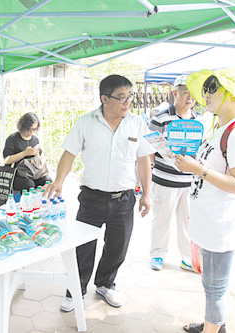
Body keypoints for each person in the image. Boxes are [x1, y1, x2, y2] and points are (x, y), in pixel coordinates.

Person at [43, 74, 155, 312]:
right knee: (83, 247)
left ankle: (105, 284)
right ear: (105, 98)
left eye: (130, 97)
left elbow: (144, 159)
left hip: (124, 199)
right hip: (92, 198)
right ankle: (75, 290)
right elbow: (69, 153)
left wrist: (146, 193)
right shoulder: (86, 123)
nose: (127, 102)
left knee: (118, 247)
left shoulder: (137, 123)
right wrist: (59, 181)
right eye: (121, 97)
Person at [175, 68, 235, 333]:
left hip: (222, 224)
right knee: (211, 284)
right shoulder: (220, 127)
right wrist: (192, 166)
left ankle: (213, 328)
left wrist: (197, 169)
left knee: (215, 287)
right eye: (206, 88)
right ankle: (214, 323)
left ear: (231, 92)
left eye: (212, 88)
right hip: (209, 220)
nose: (205, 94)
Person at [149, 75, 197, 271]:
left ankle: (187, 257)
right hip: (164, 181)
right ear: (175, 93)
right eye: (185, 92)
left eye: (192, 93)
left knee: (188, 222)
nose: (189, 97)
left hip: (189, 183)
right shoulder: (159, 119)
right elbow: (149, 150)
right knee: (162, 219)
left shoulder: (199, 121)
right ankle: (158, 254)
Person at [3, 112, 52, 191]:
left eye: (34, 129)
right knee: (29, 184)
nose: (31, 132)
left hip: (33, 173)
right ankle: (26, 202)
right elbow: (6, 160)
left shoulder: (35, 140)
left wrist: (38, 156)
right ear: (22, 127)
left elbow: (38, 159)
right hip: (17, 174)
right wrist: (24, 153)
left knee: (47, 181)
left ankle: (43, 202)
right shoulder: (12, 139)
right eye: (29, 129)